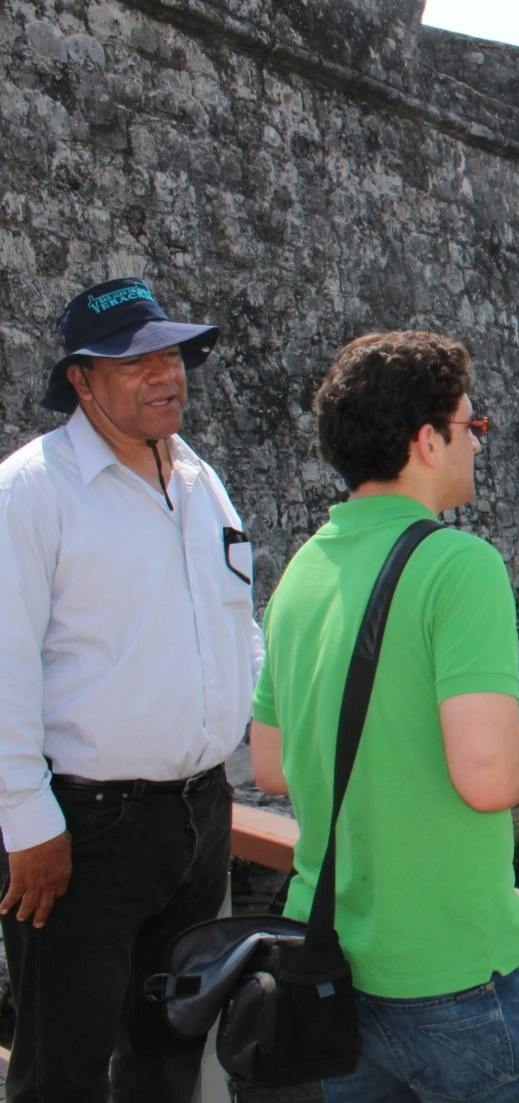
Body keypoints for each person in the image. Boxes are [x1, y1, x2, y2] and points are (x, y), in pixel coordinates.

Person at [248, 330, 519, 1101]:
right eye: (473, 427)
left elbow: (270, 765)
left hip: (338, 976)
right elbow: (488, 774)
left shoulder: (302, 568)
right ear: (427, 440)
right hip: (461, 974)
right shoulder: (458, 565)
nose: (476, 443)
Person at [0, 277, 259, 1100]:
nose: (164, 373)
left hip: (198, 814)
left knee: (170, 1056)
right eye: (133, 360)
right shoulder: (30, 492)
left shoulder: (198, 480)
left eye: (172, 353)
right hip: (85, 829)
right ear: (79, 379)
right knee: (62, 1067)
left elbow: (234, 624)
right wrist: (28, 821)